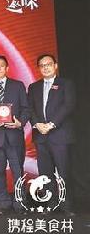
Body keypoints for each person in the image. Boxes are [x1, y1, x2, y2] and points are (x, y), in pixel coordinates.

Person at [0, 55, 30, 215]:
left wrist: (20, 122)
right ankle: (3, 203)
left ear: (7, 68)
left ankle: (19, 204)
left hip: (14, 135)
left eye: (2, 65)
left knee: (18, 171)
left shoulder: (18, 86)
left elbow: (26, 108)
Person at [27, 54, 76, 216]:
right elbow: (29, 108)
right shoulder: (33, 87)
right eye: (42, 65)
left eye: (48, 64)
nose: (45, 67)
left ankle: (66, 205)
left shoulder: (66, 84)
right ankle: (50, 204)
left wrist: (52, 124)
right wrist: (37, 124)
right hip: (41, 136)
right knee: (45, 173)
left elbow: (68, 106)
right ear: (39, 68)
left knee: (63, 171)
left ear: (55, 66)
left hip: (60, 135)